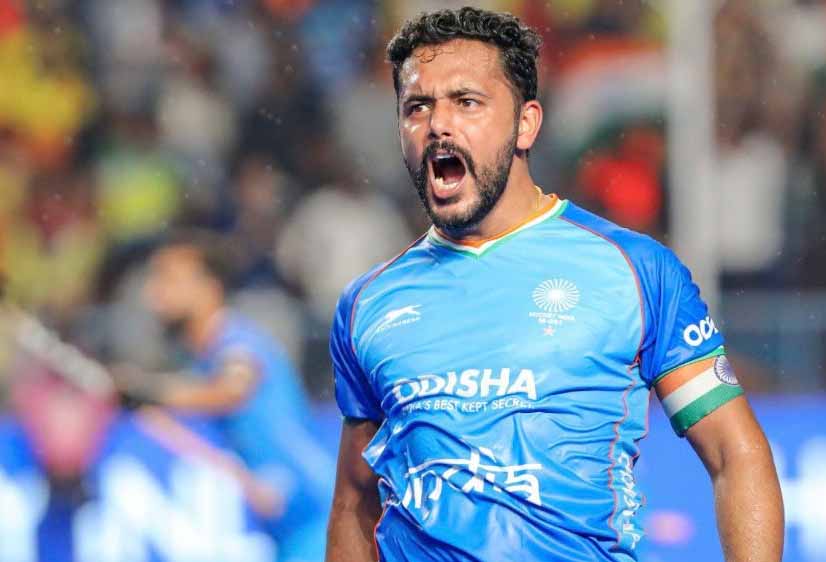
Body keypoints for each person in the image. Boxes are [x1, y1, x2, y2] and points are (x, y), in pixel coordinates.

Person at [326, 7, 783, 562]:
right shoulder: (368, 304)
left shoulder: (636, 270)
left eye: (466, 102)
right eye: (417, 107)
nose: (438, 124)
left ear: (526, 123)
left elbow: (735, 454)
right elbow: (355, 501)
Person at [116, 229, 334, 562]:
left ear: (210, 287)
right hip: (284, 530)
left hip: (317, 525)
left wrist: (150, 391)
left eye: (169, 278)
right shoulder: (200, 363)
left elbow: (232, 390)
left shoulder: (237, 341)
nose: (154, 292)